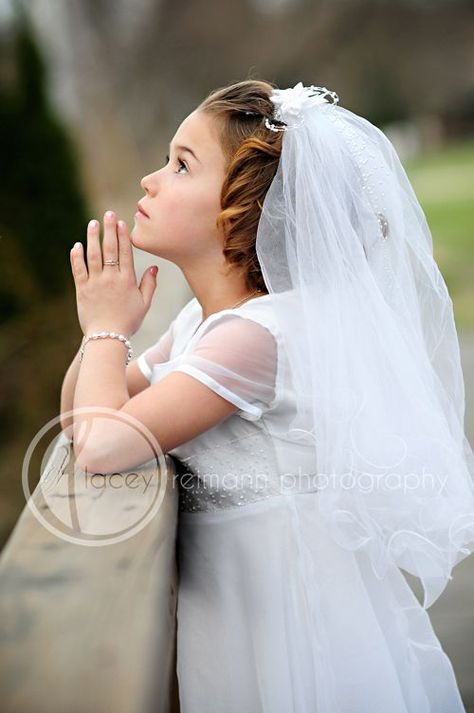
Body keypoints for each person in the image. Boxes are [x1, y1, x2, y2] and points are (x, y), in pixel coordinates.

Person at [68, 79, 474, 712]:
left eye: (181, 165)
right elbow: (84, 418)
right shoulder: (200, 327)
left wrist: (105, 330)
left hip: (293, 617)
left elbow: (100, 444)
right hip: (236, 608)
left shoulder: (257, 338)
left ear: (243, 207)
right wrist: (106, 333)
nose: (150, 180)